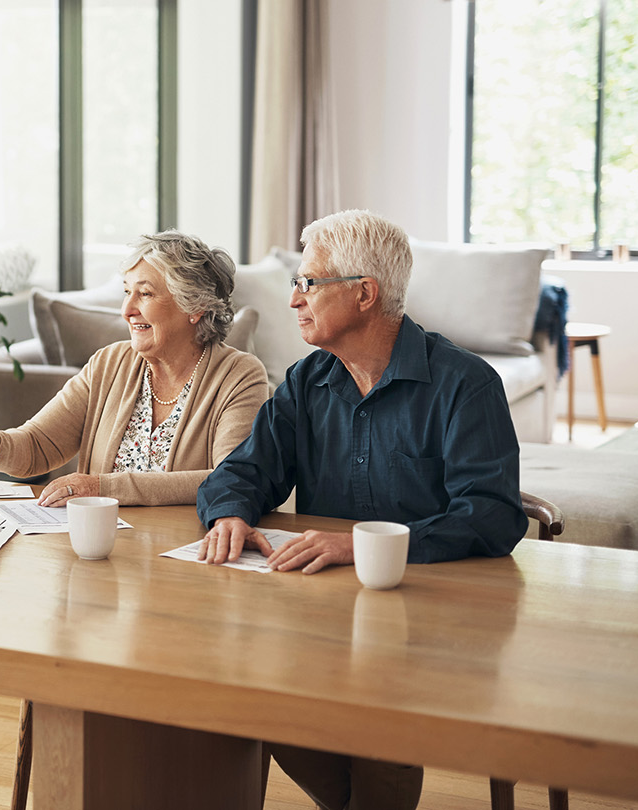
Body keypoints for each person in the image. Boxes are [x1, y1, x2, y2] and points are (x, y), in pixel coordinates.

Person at [195, 209, 527, 810]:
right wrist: (230, 513)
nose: (294, 299)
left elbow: (492, 515)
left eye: (308, 283)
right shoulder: (304, 382)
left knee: (382, 711)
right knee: (248, 691)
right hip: (326, 613)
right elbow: (242, 472)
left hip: (435, 617)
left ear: (365, 294)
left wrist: (363, 545)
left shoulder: (466, 384)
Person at [0, 230, 269, 505]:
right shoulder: (109, 364)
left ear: (195, 307)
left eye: (145, 294)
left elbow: (231, 479)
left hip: (183, 549)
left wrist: (103, 487)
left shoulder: (239, 375)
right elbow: (40, 445)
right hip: (101, 546)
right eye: (126, 292)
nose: (127, 310)